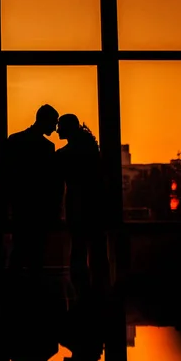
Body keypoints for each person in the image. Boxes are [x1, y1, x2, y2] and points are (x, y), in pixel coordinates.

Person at [5, 104, 64, 271]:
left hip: (20, 207)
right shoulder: (47, 147)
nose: (55, 127)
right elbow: (52, 182)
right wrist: (55, 210)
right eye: (54, 122)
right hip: (40, 210)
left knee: (18, 251)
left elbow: (9, 176)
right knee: (37, 255)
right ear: (45, 121)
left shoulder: (15, 140)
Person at [55, 113, 109, 290]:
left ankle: (81, 290)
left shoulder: (63, 155)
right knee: (97, 249)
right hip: (96, 206)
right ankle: (100, 289)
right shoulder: (92, 151)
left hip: (76, 206)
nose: (56, 130)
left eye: (60, 126)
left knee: (78, 248)